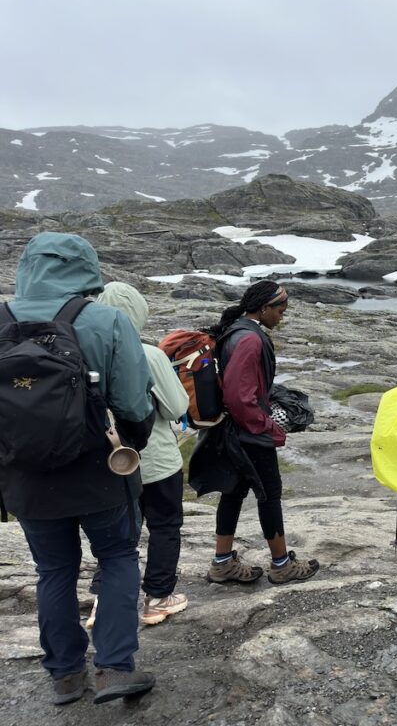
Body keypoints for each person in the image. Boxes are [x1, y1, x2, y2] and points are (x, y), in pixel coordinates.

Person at [0, 233, 156, 705]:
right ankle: (113, 668)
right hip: (99, 468)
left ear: (27, 267)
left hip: (23, 475)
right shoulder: (105, 319)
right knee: (117, 558)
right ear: (87, 270)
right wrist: (134, 443)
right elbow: (132, 402)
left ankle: (65, 675)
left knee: (53, 570)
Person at [200, 280, 319, 585]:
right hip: (248, 433)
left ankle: (222, 562)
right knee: (270, 495)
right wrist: (268, 428)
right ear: (264, 308)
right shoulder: (251, 339)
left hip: (229, 430)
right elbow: (241, 397)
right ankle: (281, 566)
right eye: (280, 310)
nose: (282, 316)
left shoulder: (234, 330)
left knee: (234, 491)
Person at [95, 282, 190, 626]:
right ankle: (158, 597)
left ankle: (103, 601)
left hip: (111, 463)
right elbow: (177, 405)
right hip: (157, 461)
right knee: (164, 526)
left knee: (118, 535)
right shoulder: (149, 353)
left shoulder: (89, 348)